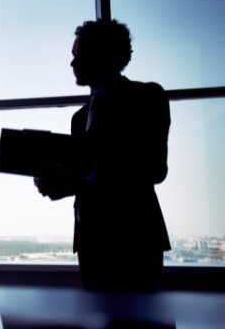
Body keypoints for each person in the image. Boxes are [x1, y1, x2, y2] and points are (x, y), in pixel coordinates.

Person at [34, 19, 171, 293]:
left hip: (135, 239)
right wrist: (57, 186)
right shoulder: (80, 117)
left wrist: (78, 175)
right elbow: (87, 175)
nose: (72, 64)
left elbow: (155, 168)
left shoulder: (146, 97)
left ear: (102, 55)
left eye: (78, 55)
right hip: (91, 241)